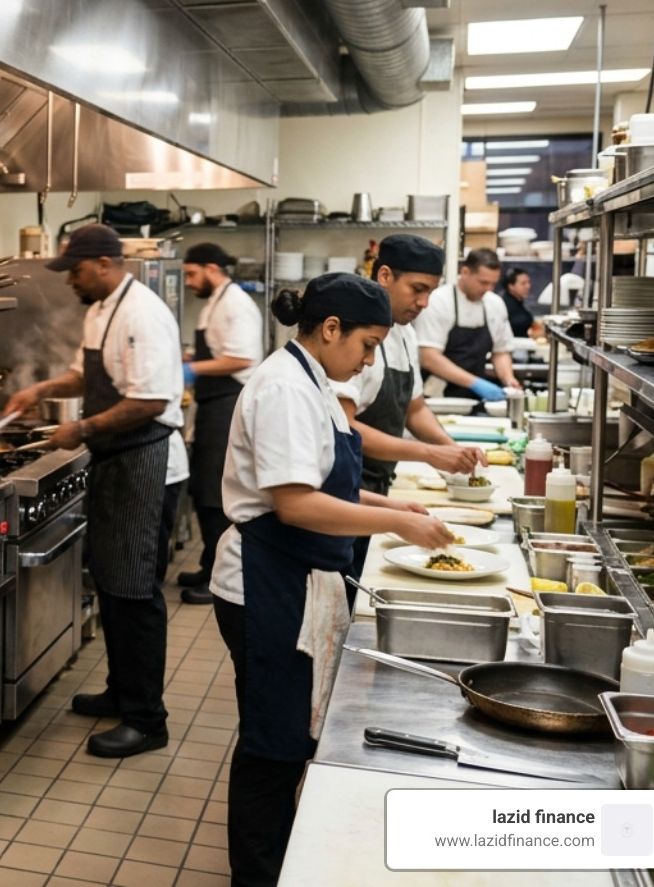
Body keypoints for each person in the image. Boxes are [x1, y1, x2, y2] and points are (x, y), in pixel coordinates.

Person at [209, 273, 453, 887]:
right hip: (264, 583)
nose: (369, 361)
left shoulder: (315, 380)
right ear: (330, 328)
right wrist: (396, 521)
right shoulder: (284, 388)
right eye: (367, 345)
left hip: (294, 578)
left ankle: (281, 859)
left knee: (290, 738)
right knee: (272, 746)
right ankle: (257, 877)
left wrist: (392, 506)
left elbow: (324, 482)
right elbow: (295, 504)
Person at [3, 224, 187, 758]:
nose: (71, 281)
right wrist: (40, 389)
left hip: (147, 463)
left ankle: (147, 720)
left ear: (105, 264)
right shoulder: (101, 308)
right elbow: (86, 375)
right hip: (117, 461)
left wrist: (81, 429)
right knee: (112, 583)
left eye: (76, 271)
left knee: (136, 594)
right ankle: (121, 691)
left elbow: (150, 402)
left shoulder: (142, 314)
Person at [331, 235, 486, 590]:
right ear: (385, 275)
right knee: (350, 586)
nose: (424, 303)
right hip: (350, 488)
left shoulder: (404, 333)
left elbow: (414, 408)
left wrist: (452, 450)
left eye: (431, 291)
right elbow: (344, 426)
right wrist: (428, 453)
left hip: (379, 487)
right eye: (417, 289)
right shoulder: (356, 335)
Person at [177, 242, 263, 605]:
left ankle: (220, 578)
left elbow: (240, 359)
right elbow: (220, 351)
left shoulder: (235, 304)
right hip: (213, 404)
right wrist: (191, 357)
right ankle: (209, 564)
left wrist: (190, 369)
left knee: (214, 494)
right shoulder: (217, 301)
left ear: (211, 269)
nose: (188, 282)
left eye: (191, 274)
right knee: (204, 489)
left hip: (228, 406)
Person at [414, 248, 519, 404]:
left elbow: (500, 351)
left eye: (493, 284)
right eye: (483, 283)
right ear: (465, 272)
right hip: (438, 396)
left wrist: (508, 380)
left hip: (476, 397)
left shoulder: (495, 303)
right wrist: (475, 383)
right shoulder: (438, 301)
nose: (488, 289)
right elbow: (429, 357)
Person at [498, 266, 542, 339]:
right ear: (511, 286)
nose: (528, 286)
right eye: (523, 283)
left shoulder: (518, 302)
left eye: (528, 282)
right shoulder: (505, 304)